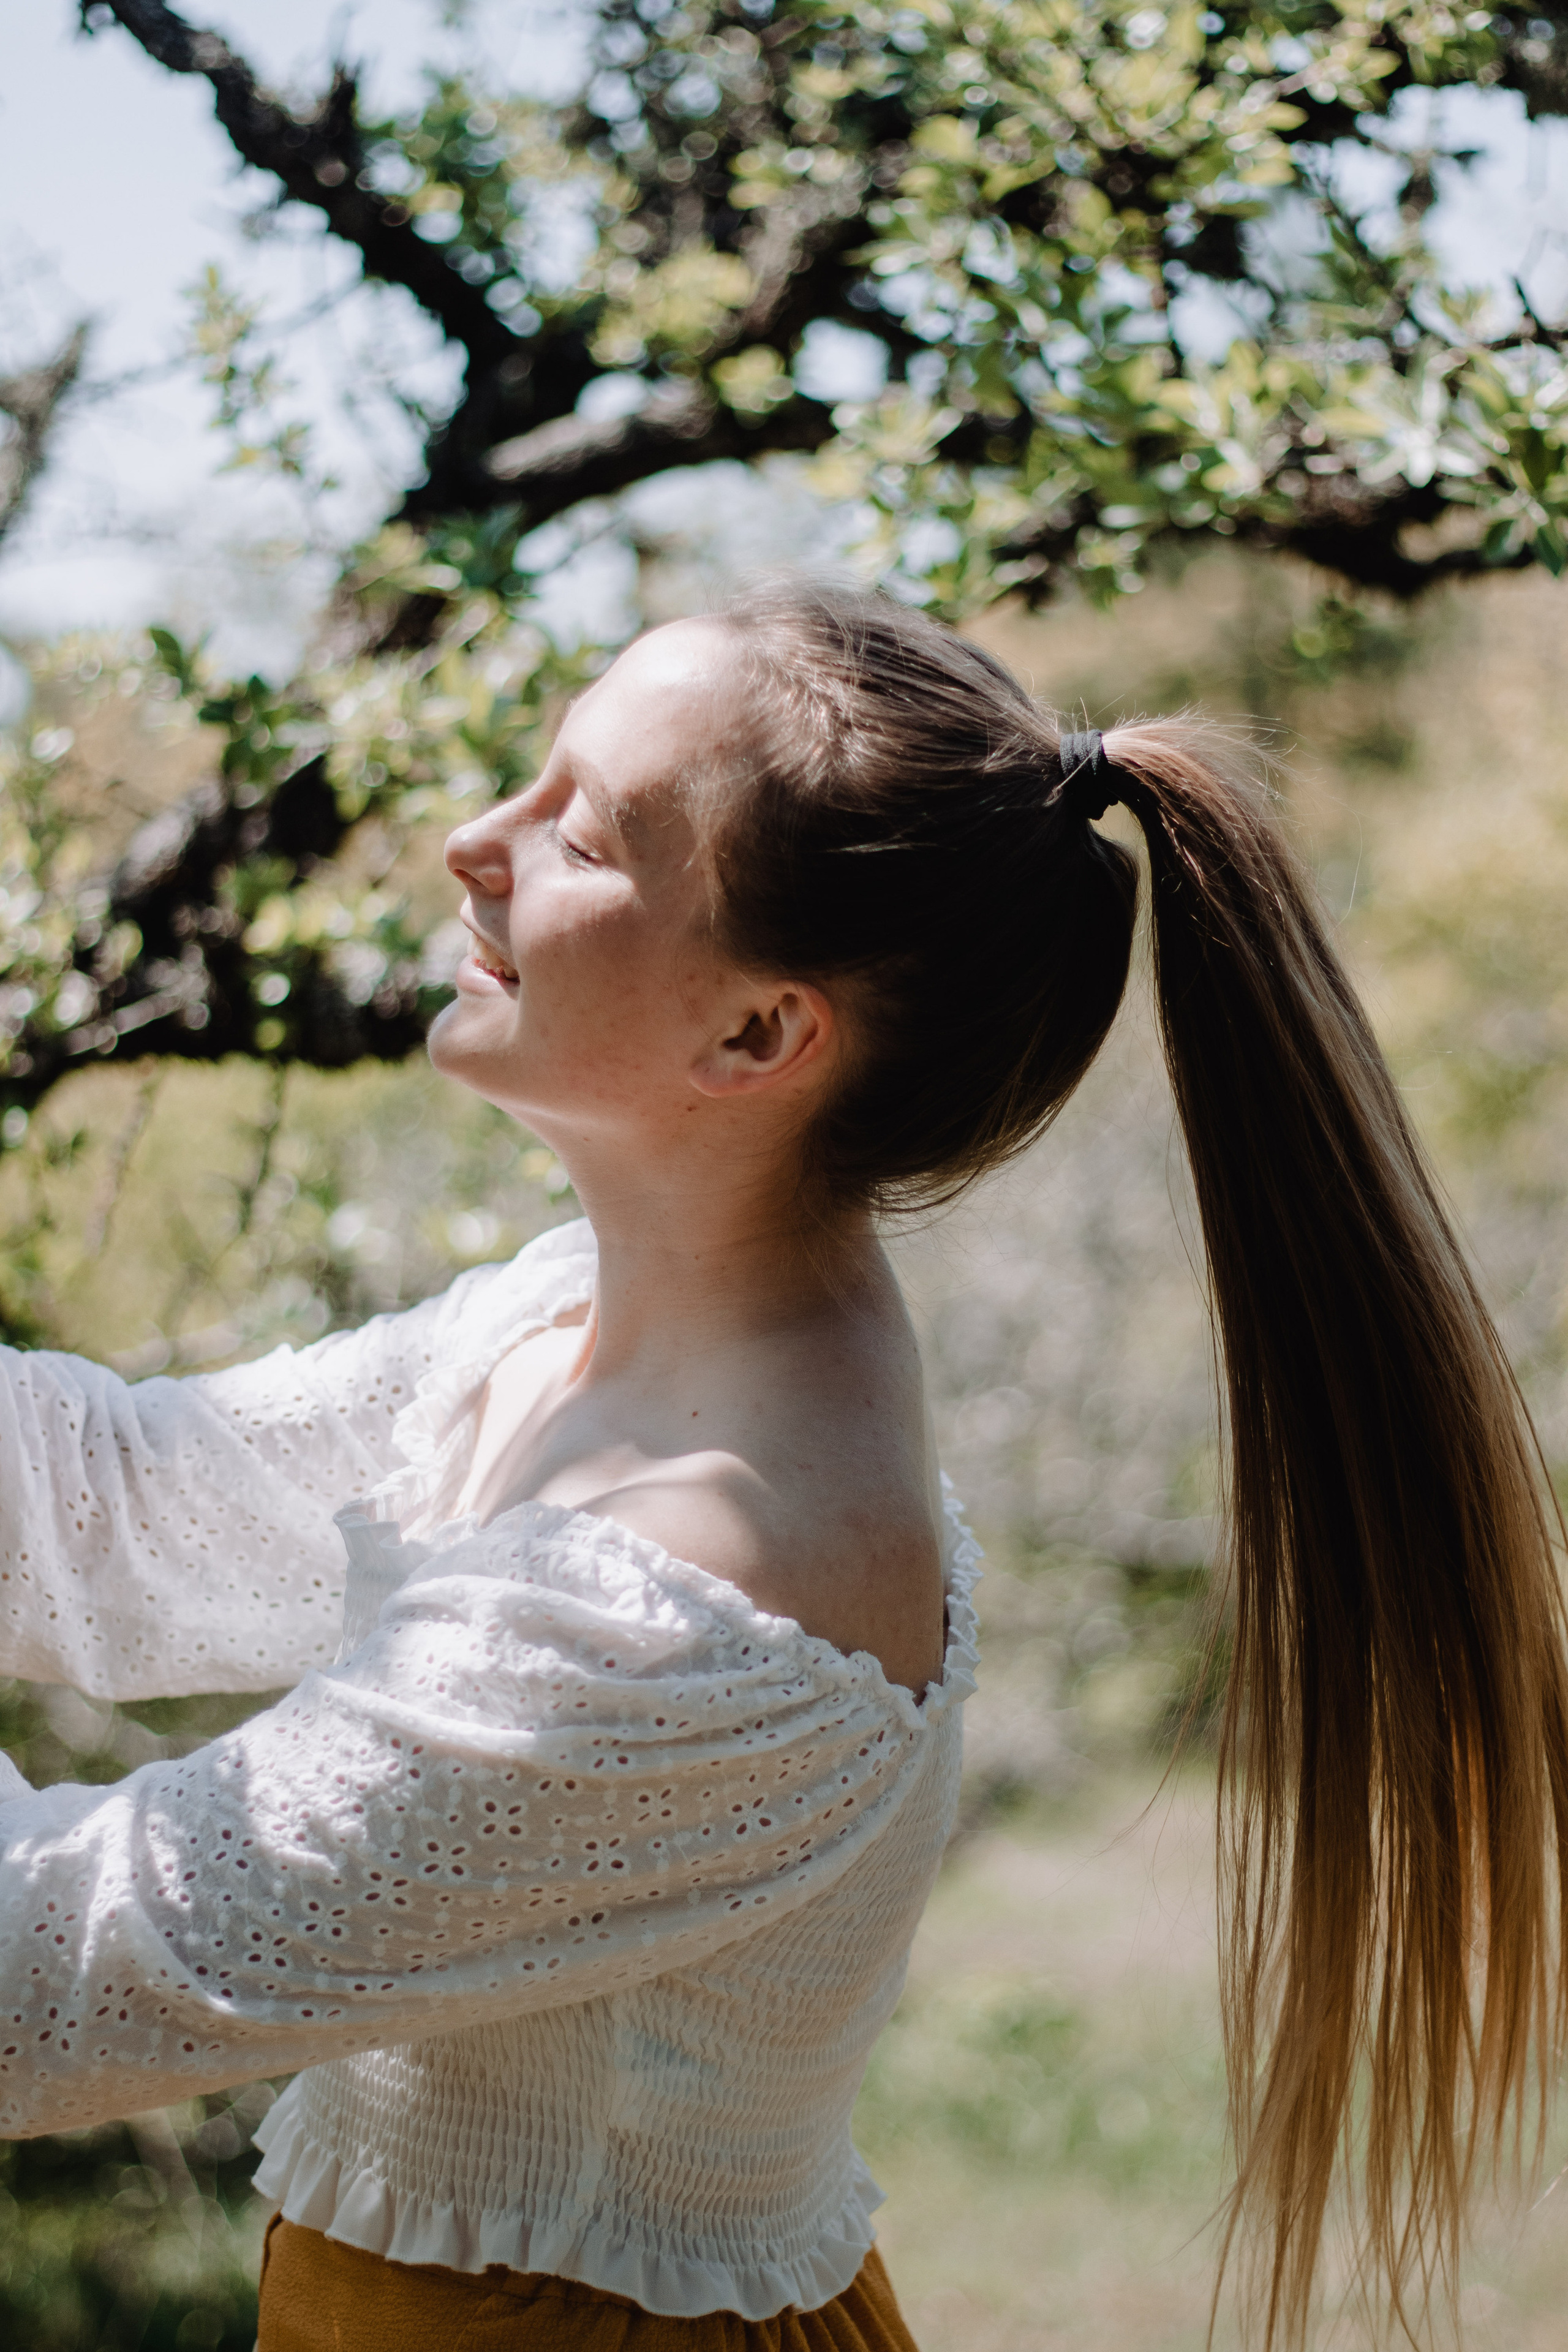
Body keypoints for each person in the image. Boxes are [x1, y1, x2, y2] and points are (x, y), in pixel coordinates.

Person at [0, 582, 1564, 2351]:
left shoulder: (693, 1589)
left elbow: (55, 1979)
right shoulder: (580, 1325)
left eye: (578, 832)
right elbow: (114, 1515)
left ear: (759, 1035)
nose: (471, 842)